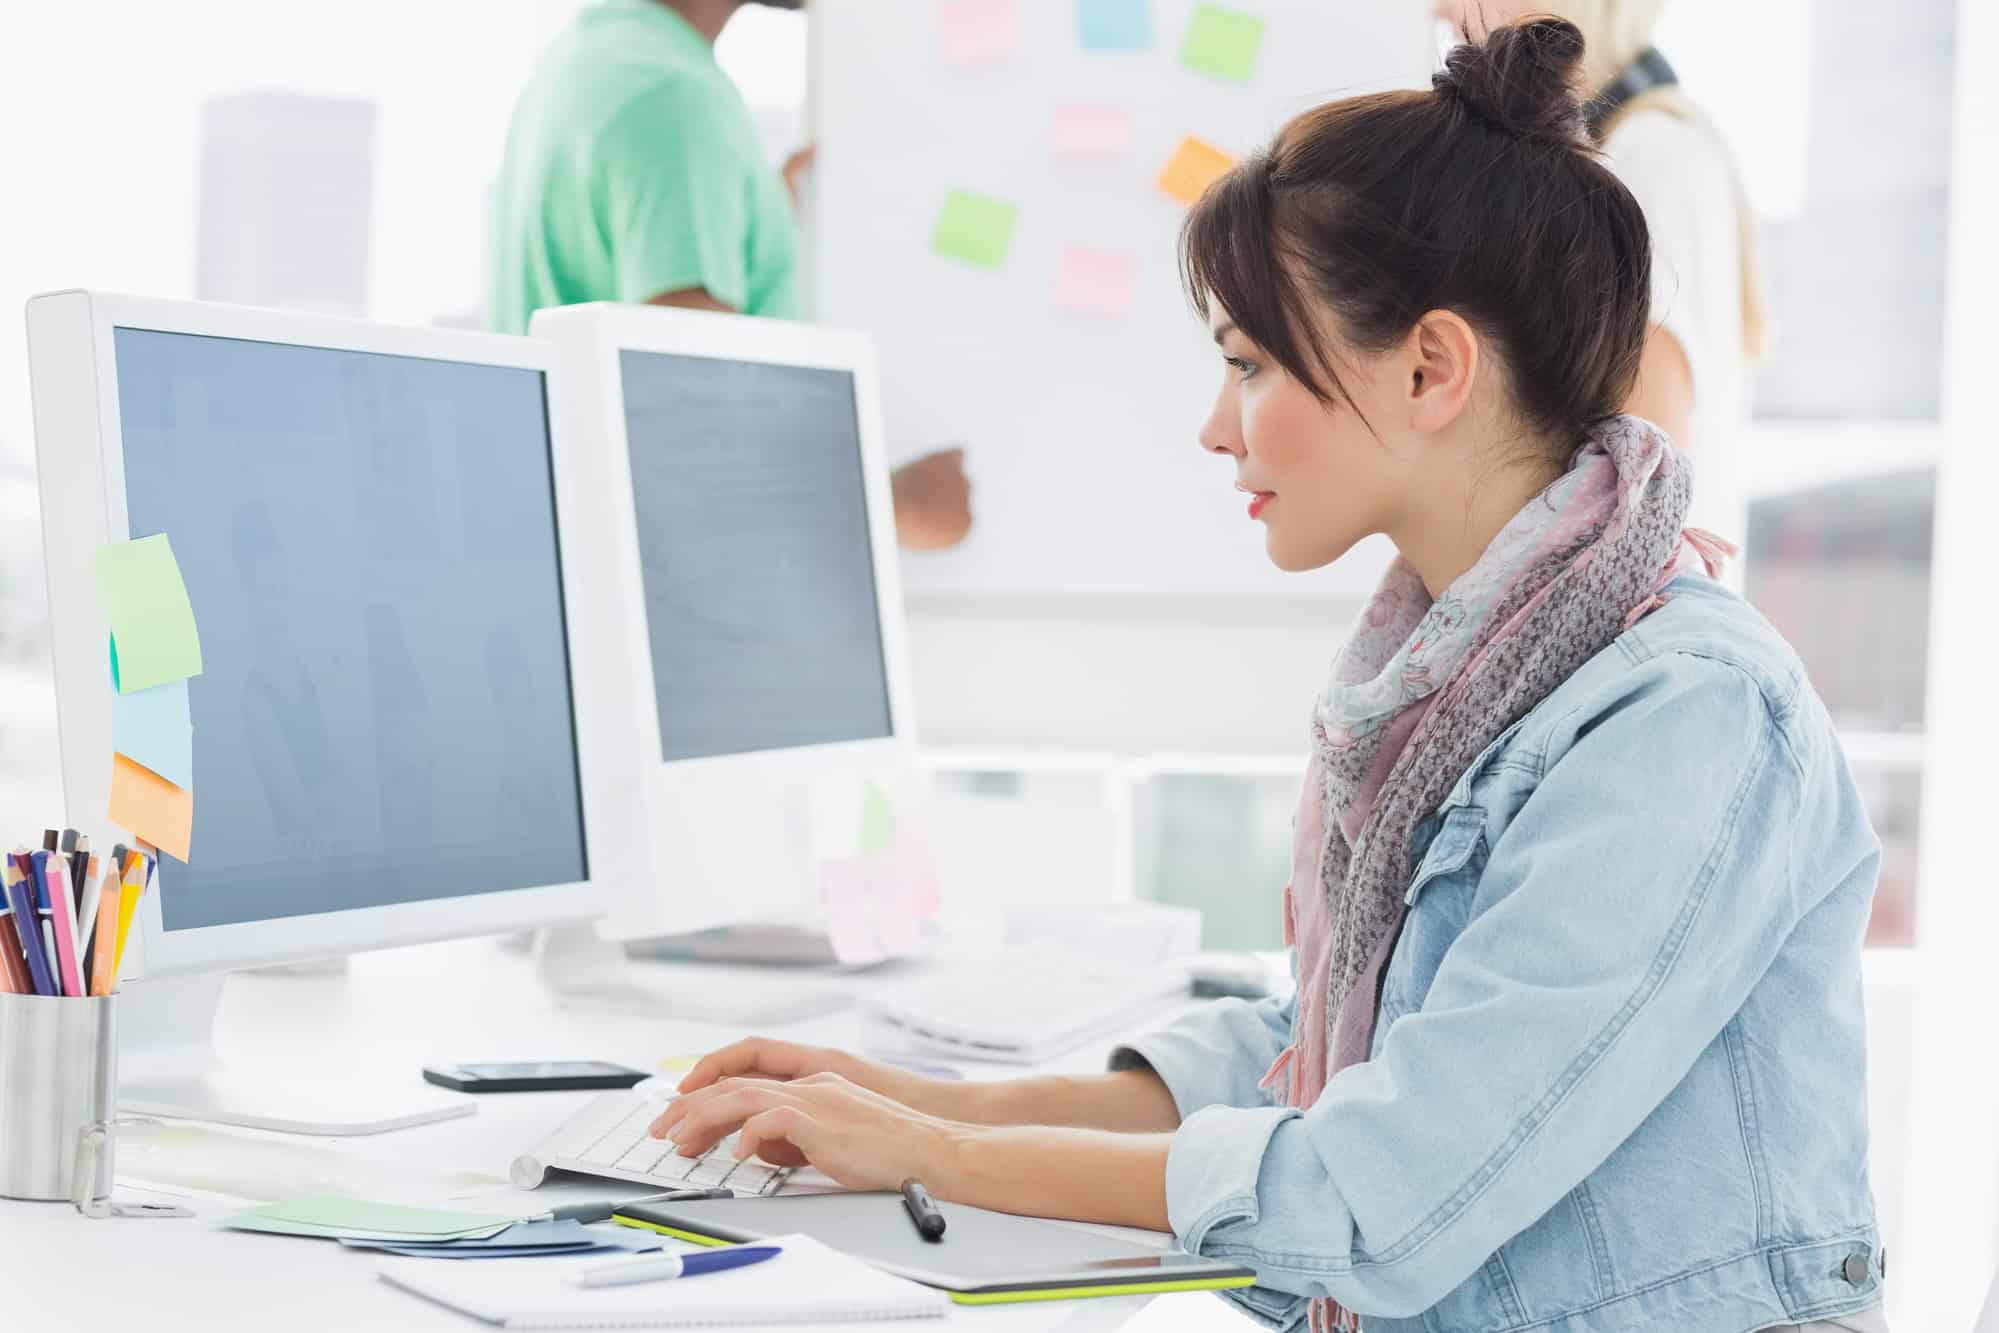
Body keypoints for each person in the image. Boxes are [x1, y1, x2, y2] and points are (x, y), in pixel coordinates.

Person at [641, 20, 1885, 1333]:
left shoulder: (1681, 716)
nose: (1213, 423)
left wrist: (928, 1156)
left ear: (1427, 367)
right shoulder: (1451, 675)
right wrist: (907, 1096)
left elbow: (1370, 1191)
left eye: (1245, 362)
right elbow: (1308, 1058)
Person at [488, 0, 972, 551]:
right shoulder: (673, 93)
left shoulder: (591, 60)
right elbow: (693, 403)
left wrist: (755, 234)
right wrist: (890, 507)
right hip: (672, 581)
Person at [1436, 0, 1762, 545]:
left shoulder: (1648, 157)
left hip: (1627, 614)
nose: (1442, 10)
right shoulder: (1641, 149)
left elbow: (1642, 476)